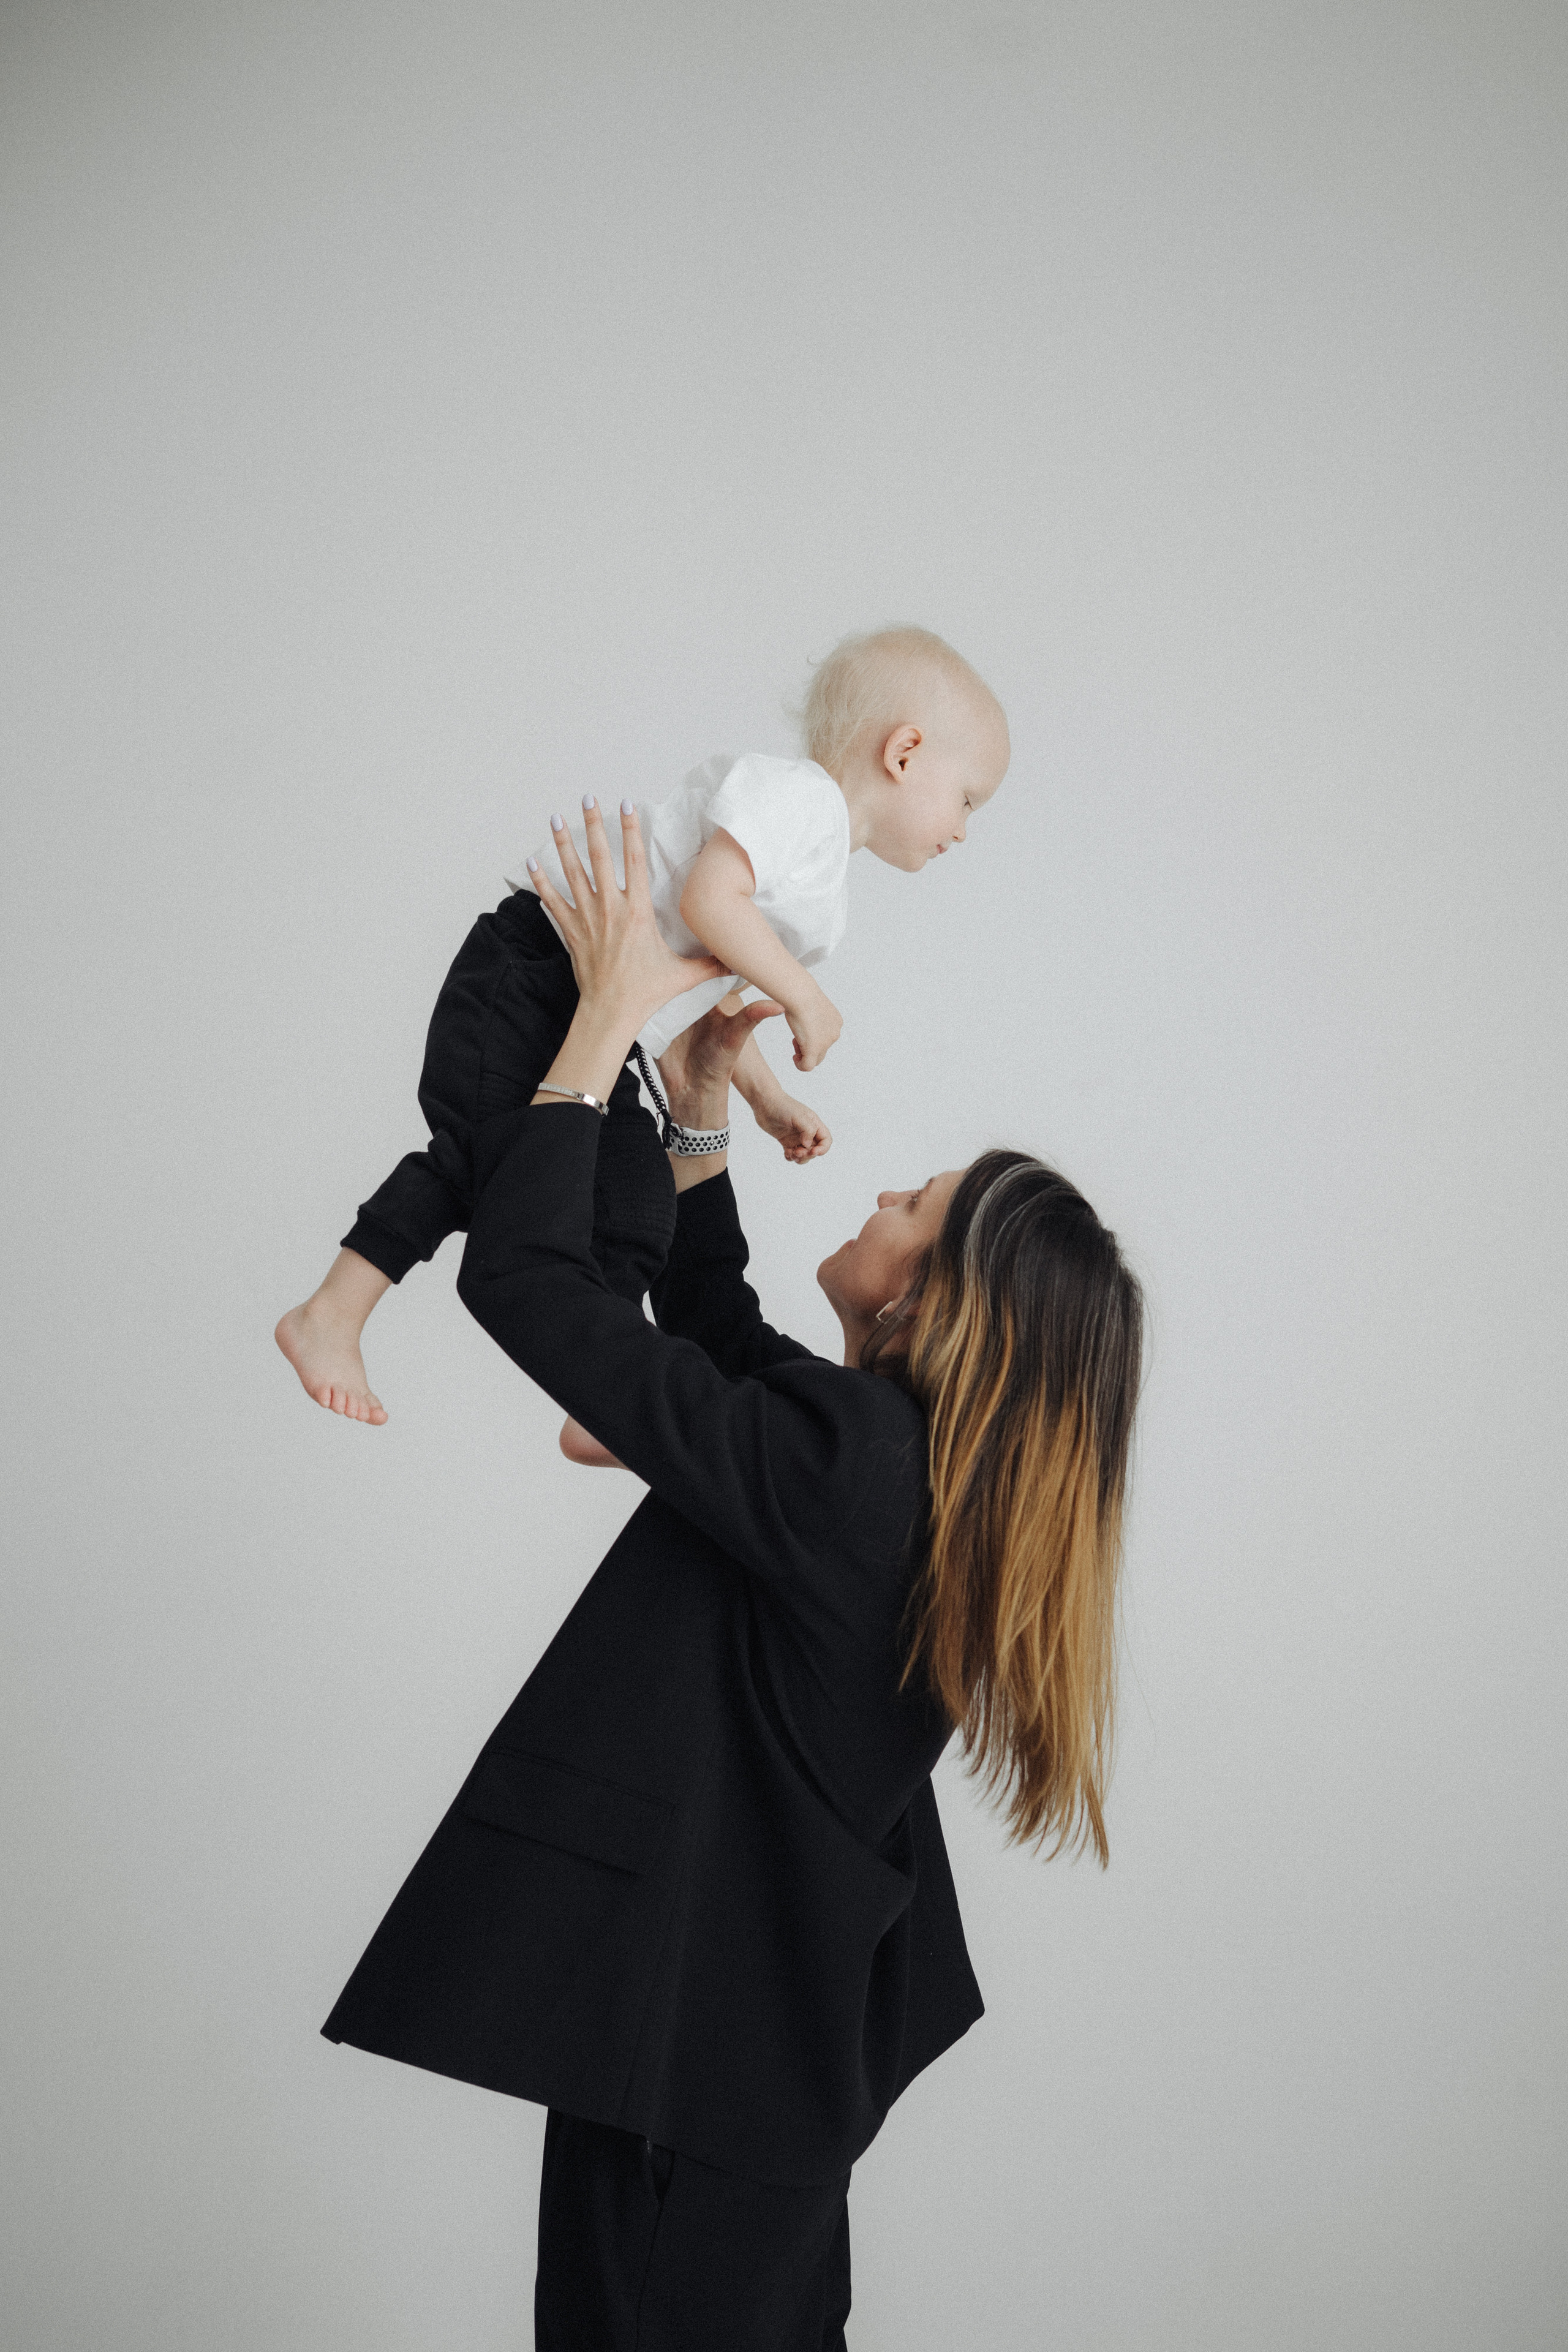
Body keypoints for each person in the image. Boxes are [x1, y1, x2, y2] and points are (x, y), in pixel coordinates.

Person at [320, 801, 1144, 2350]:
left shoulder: (855, 1470)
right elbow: (721, 1343)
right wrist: (696, 1106)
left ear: (933, 1306)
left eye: (914, 1205)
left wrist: (607, 1018)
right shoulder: (898, 1475)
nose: (883, 1194)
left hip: (688, 2109)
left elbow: (527, 1282)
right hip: (744, 2091)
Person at [274, 627, 1011, 1465]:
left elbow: (708, 987)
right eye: (969, 800)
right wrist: (805, 995)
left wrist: (765, 1097)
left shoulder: (821, 880)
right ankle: (331, 1314)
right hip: (540, 969)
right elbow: (707, 902)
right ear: (905, 753)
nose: (963, 829)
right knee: (486, 1156)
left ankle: (608, 1396)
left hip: (604, 1016)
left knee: (633, 1205)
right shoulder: (800, 802)